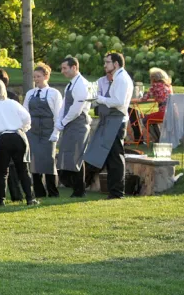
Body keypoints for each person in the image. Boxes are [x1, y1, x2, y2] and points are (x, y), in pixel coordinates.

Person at [85, 52, 134, 199]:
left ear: (116, 64)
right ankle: (114, 191)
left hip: (117, 120)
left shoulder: (122, 79)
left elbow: (118, 101)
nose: (104, 65)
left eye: (107, 62)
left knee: (116, 157)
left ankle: (117, 193)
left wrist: (99, 98)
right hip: (112, 120)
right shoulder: (118, 77)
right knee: (111, 156)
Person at [0, 79, 38, 207]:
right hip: (17, 136)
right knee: (23, 170)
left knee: (2, 171)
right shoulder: (13, 103)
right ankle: (30, 198)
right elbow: (27, 118)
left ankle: (0, 200)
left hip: (1, 138)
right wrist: (24, 128)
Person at [23, 63, 62, 198]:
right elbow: (25, 114)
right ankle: (39, 193)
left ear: (46, 76)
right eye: (34, 77)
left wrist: (56, 133)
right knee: (34, 163)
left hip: (48, 132)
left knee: (49, 162)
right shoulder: (30, 93)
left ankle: (53, 192)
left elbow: (58, 115)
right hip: (32, 133)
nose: (36, 79)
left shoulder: (54, 93)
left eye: (38, 76)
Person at [55, 56, 92, 198]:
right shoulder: (71, 84)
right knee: (70, 155)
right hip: (70, 123)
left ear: (74, 67)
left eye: (65, 68)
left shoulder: (81, 84)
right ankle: (77, 188)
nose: (62, 71)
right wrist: (60, 121)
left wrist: (63, 122)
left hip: (78, 123)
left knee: (76, 156)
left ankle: (79, 190)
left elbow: (77, 108)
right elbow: (65, 105)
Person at [141, 67, 172, 135]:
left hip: (163, 113)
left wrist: (141, 97)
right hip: (172, 113)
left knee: (145, 119)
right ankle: (159, 138)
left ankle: (157, 138)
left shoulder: (155, 85)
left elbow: (145, 98)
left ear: (154, 78)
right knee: (152, 120)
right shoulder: (168, 86)